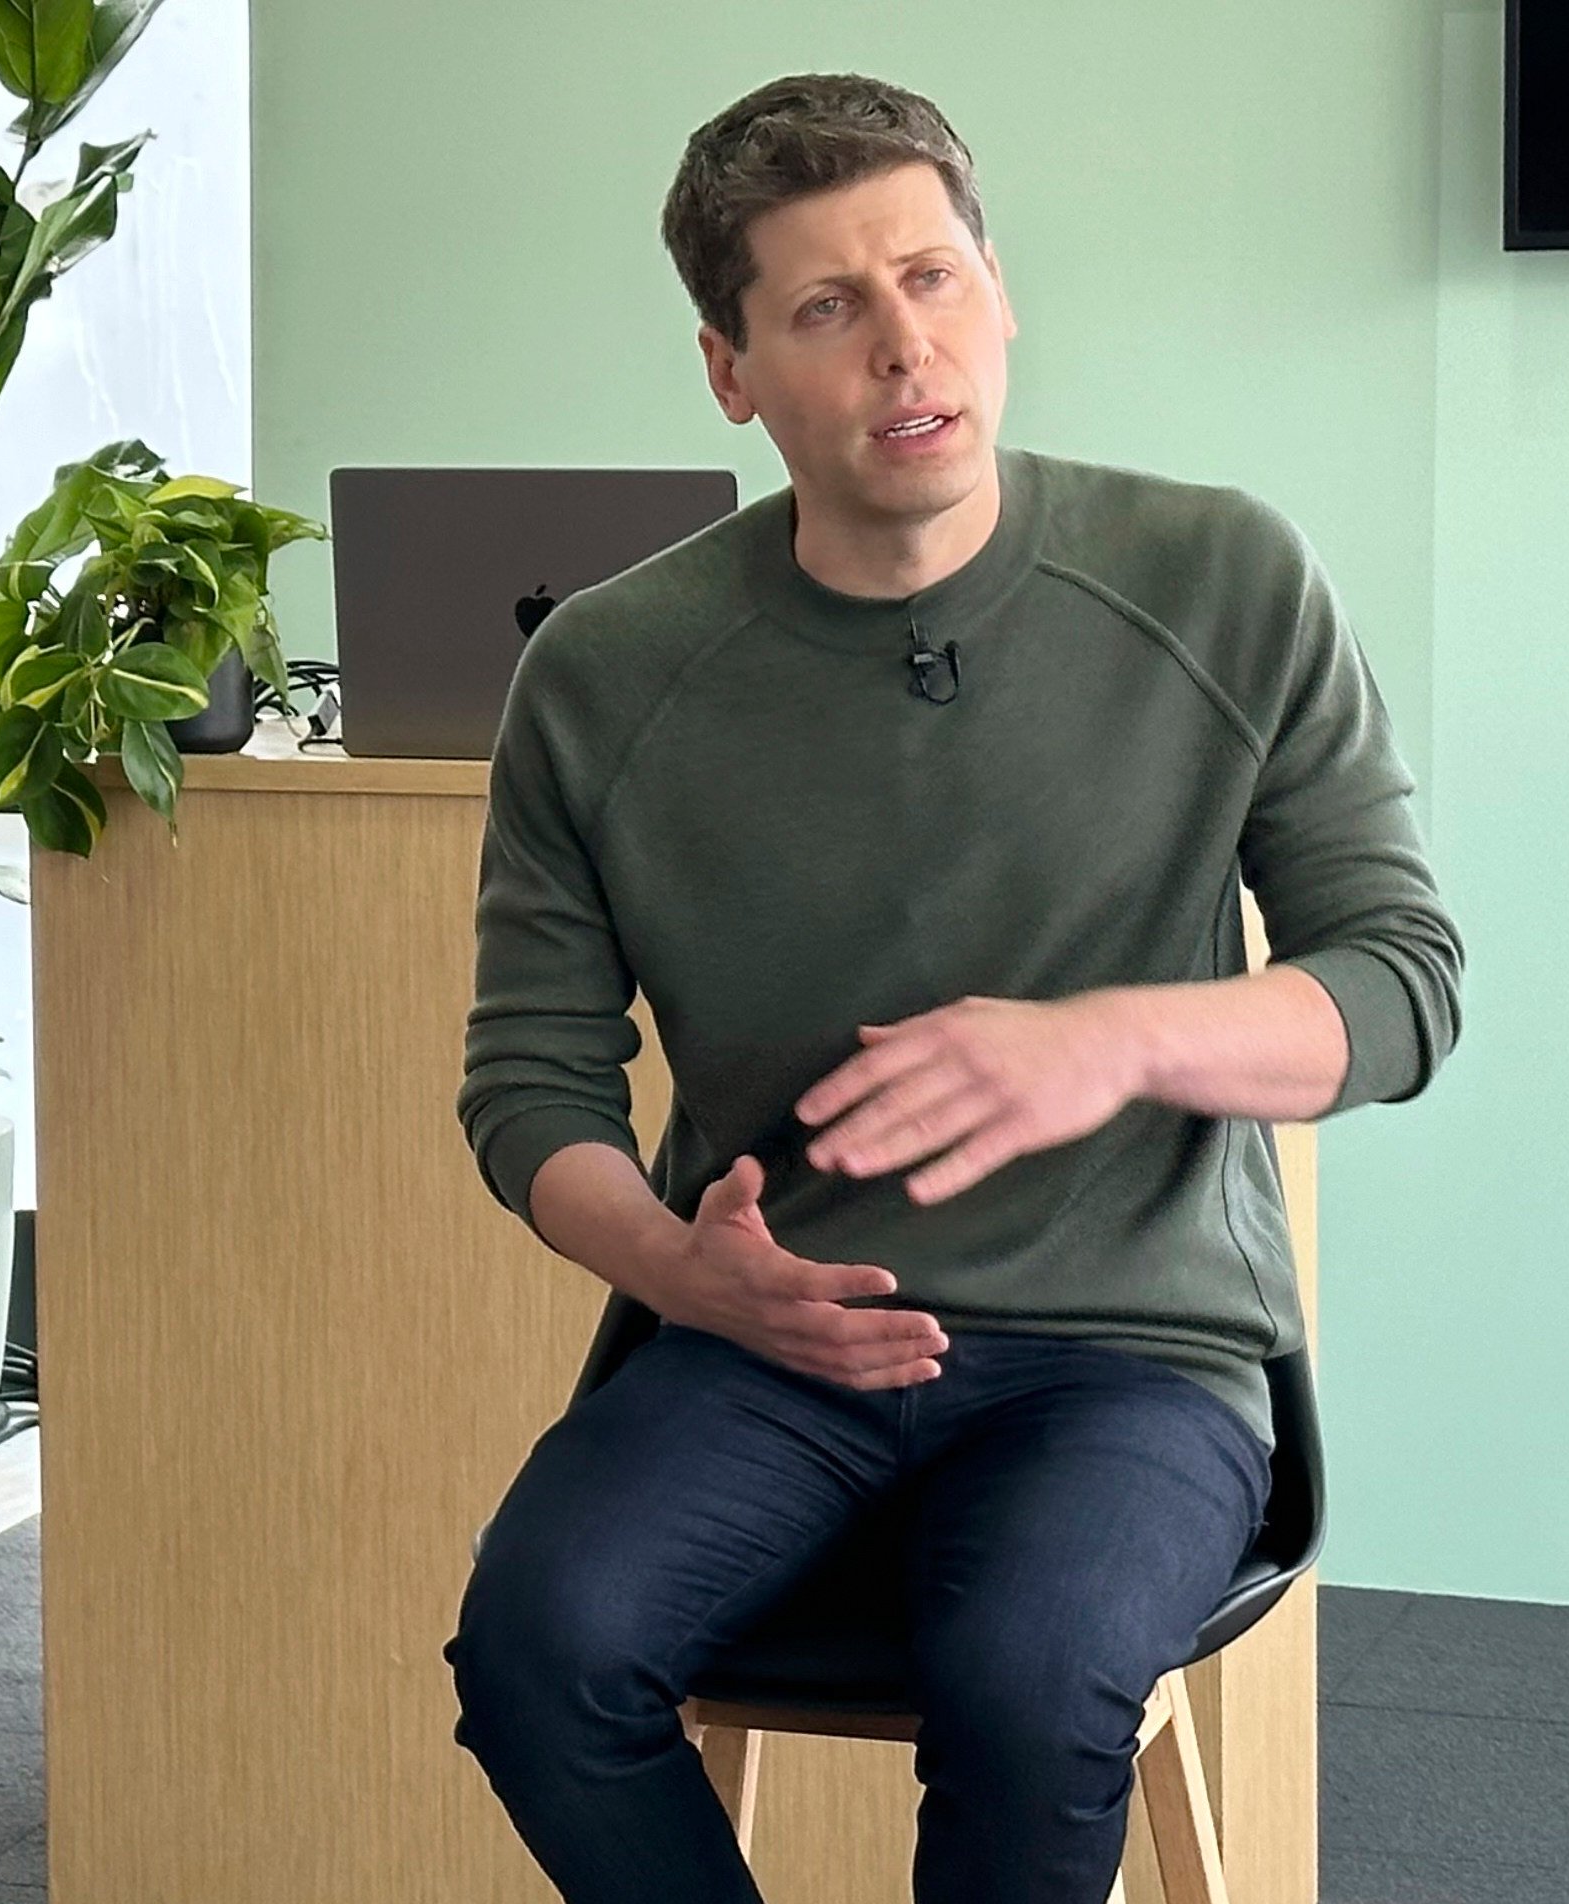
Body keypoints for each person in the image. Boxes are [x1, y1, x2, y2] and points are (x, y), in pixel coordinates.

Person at [444, 73, 1461, 1904]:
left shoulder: (1223, 580)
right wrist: (683, 1271)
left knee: (1026, 1686)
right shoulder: (603, 674)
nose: (905, 348)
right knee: (538, 1652)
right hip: (770, 1339)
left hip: (1130, 1355)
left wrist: (1111, 1041)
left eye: (933, 277)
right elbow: (530, 1092)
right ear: (731, 369)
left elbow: (1399, 988)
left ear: (998, 292)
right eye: (830, 307)